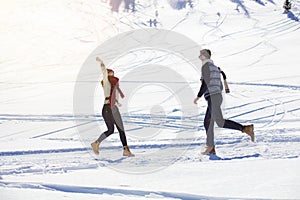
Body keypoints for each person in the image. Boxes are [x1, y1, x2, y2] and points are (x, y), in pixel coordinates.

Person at [194, 49, 254, 155]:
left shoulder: (206, 67)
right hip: (216, 97)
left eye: (200, 55)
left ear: (204, 56)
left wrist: (198, 96)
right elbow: (220, 85)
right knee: (218, 122)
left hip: (213, 97)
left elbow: (205, 83)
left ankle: (210, 147)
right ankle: (245, 129)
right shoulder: (215, 68)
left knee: (208, 122)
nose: (199, 57)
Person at [91, 57, 135, 157]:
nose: (112, 75)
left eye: (113, 73)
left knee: (117, 130)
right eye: (110, 73)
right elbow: (104, 73)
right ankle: (96, 143)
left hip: (112, 108)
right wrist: (102, 63)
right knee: (113, 130)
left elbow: (113, 97)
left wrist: (117, 103)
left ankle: (125, 149)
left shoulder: (113, 86)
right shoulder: (106, 83)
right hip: (107, 108)